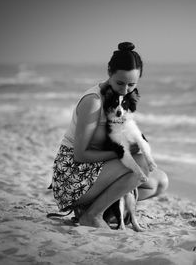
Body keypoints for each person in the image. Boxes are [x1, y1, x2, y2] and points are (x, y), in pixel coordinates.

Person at [50, 42, 169, 228]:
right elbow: (80, 155)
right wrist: (122, 153)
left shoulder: (122, 97)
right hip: (72, 174)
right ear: (109, 72)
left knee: (160, 182)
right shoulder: (93, 101)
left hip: (97, 169)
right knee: (141, 164)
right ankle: (92, 214)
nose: (124, 90)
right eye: (120, 83)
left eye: (132, 84)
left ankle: (104, 208)